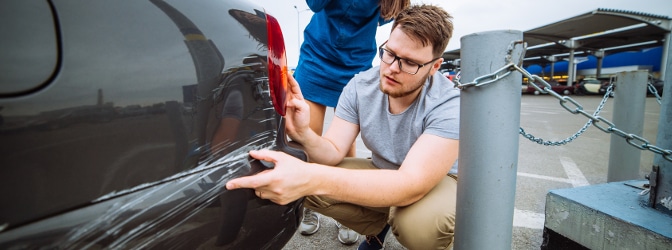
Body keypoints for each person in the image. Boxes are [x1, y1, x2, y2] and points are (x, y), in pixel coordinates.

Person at [227, 4, 457, 249]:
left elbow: (411, 183)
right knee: (292, 167)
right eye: (389, 53)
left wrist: (310, 178)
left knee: (420, 227)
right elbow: (334, 151)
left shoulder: (448, 103)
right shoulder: (360, 85)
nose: (392, 68)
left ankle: (407, 223)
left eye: (409, 63)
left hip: (436, 181)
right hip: (383, 170)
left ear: (434, 66)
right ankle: (379, 230)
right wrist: (303, 133)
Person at [293, 0, 409, 245]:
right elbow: (315, 4)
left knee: (345, 146)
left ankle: (343, 207)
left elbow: (387, 16)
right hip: (317, 55)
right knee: (308, 137)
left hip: (355, 62)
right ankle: (310, 202)